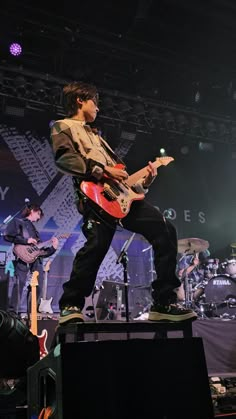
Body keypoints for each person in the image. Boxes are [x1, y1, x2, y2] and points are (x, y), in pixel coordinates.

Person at [50, 81, 197, 325]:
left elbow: (125, 185)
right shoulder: (63, 126)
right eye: (95, 102)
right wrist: (103, 170)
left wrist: (146, 182)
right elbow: (65, 160)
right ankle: (70, 304)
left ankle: (163, 302)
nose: (98, 108)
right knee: (96, 246)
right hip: (95, 198)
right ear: (80, 100)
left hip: (120, 199)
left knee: (166, 230)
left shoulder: (97, 136)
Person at [3, 204, 58, 316]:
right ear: (32, 211)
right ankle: (13, 313)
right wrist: (25, 240)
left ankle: (32, 312)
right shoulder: (18, 222)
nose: (38, 218)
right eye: (38, 214)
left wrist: (53, 248)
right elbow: (7, 236)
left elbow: (39, 252)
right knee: (20, 283)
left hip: (35, 260)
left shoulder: (34, 230)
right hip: (22, 257)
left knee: (38, 285)